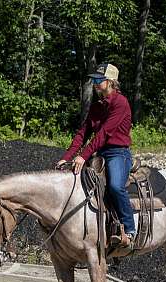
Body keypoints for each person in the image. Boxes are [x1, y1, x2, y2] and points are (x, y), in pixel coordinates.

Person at [56, 63, 136, 247]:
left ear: (111, 82)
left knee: (116, 186)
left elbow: (104, 134)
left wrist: (83, 156)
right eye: (94, 80)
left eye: (99, 80)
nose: (95, 83)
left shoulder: (121, 103)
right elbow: (82, 134)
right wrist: (66, 157)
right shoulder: (96, 107)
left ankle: (130, 229)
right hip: (100, 153)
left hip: (118, 153)